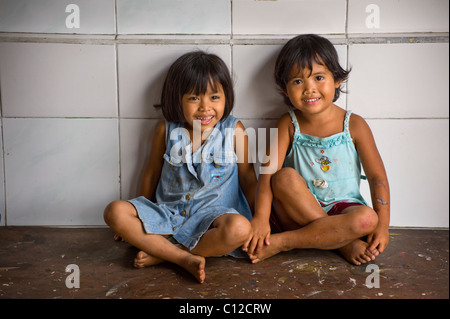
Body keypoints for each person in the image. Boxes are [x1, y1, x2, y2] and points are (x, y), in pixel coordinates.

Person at [104, 51, 257, 283]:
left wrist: (258, 220)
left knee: (240, 228)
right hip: (169, 213)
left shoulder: (234, 130)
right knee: (114, 211)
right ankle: (178, 255)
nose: (205, 108)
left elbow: (247, 177)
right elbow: (150, 174)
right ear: (178, 99)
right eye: (194, 98)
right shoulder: (164, 131)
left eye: (214, 97)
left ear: (227, 97)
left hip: (212, 220)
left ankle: (171, 255)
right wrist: (141, 217)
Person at [243, 34, 390, 266]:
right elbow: (267, 173)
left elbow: (377, 177)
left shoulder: (355, 125)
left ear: (338, 80)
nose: (309, 89)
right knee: (283, 177)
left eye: (319, 77)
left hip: (344, 212)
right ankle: (343, 242)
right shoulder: (288, 124)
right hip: (295, 213)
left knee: (367, 219)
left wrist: (382, 227)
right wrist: (261, 218)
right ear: (285, 88)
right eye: (298, 81)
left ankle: (283, 242)